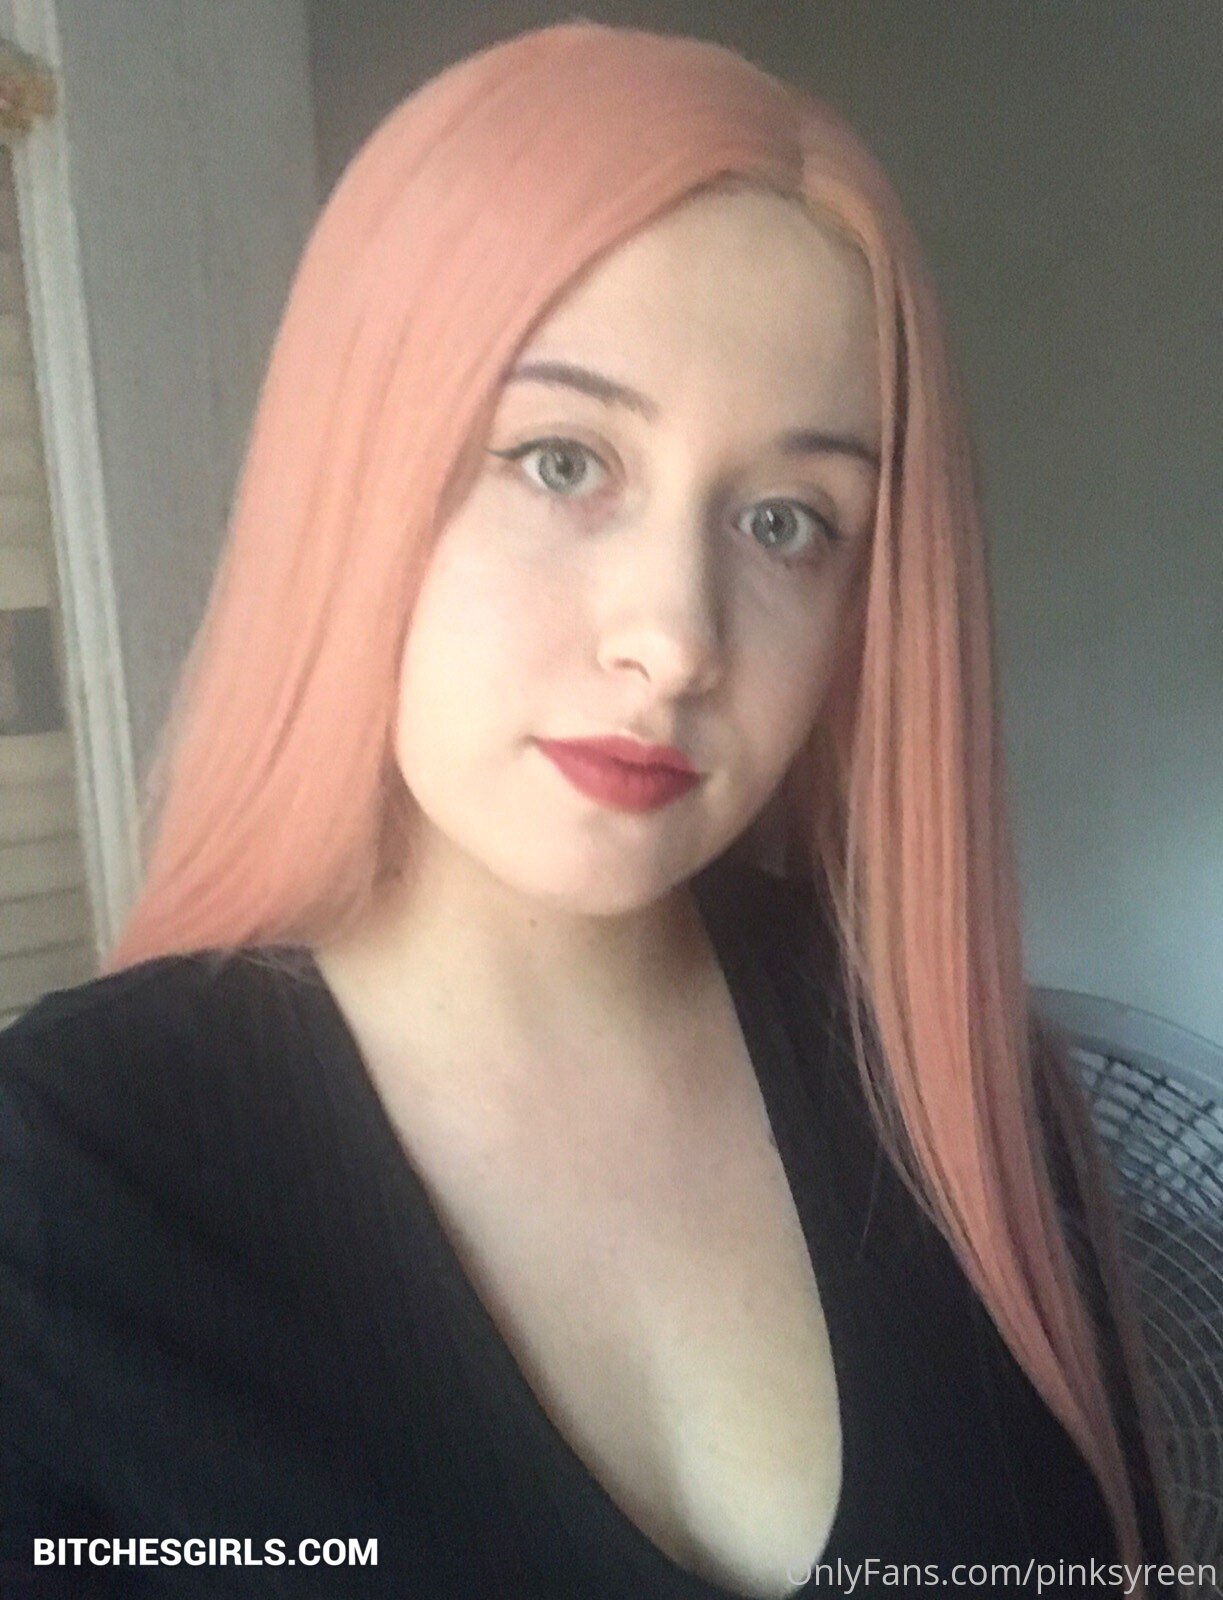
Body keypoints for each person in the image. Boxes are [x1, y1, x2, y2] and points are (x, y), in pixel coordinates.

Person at [0, 20, 1186, 1600]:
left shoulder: (950, 1090)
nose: (678, 640)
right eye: (562, 462)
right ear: (357, 475)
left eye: (788, 521)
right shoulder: (63, 1183)